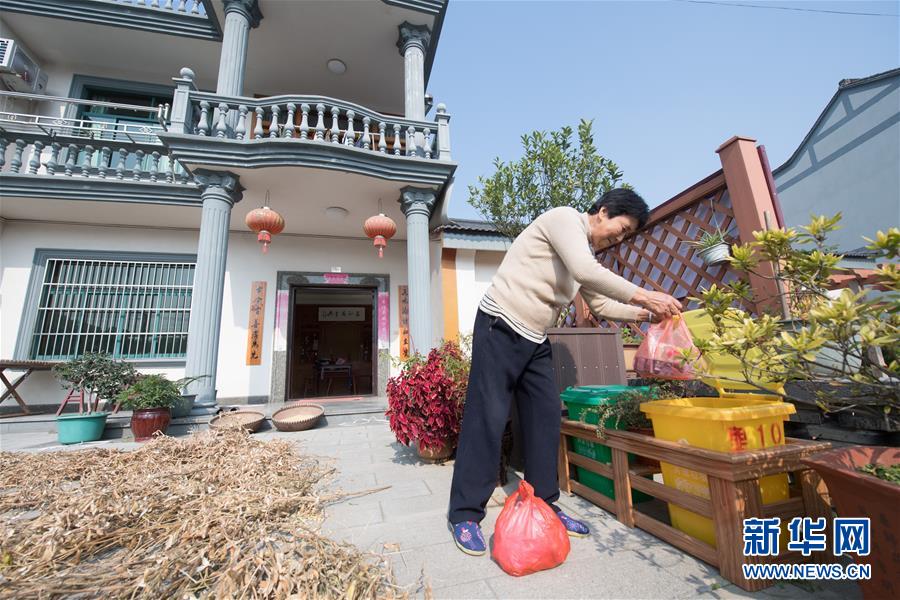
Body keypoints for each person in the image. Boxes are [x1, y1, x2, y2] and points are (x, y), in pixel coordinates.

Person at [448, 188, 682, 556]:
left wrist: (646, 314)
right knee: (488, 418)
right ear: (602, 211)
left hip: (535, 338)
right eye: (620, 229)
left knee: (545, 418)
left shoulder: (583, 253)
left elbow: (601, 302)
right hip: (500, 324)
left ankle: (545, 503)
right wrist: (646, 295)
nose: (618, 238)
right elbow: (585, 271)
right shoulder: (564, 219)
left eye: (625, 236)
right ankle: (464, 514)